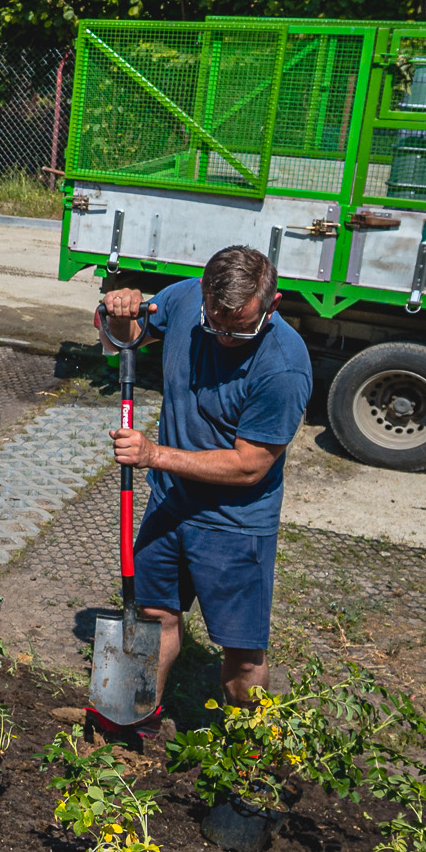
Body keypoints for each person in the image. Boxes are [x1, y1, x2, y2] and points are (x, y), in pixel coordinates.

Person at [96, 244, 311, 726]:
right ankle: (131, 720)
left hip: (234, 523)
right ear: (203, 294)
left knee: (243, 656)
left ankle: (246, 749)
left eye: (241, 329)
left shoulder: (284, 365)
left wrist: (155, 456)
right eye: (214, 324)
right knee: (153, 617)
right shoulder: (184, 299)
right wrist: (120, 310)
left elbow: (250, 466)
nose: (225, 338)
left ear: (272, 305)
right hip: (171, 504)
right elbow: (122, 339)